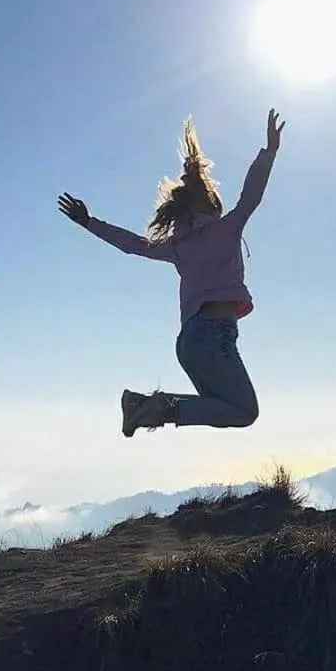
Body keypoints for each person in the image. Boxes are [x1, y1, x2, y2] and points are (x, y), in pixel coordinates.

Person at [58, 109, 285, 437]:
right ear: (210, 203)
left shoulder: (178, 246)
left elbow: (134, 245)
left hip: (190, 342)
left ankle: (143, 405)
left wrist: (89, 223)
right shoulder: (227, 229)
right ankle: (151, 407)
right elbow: (252, 195)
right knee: (244, 411)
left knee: (220, 405)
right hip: (214, 336)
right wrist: (270, 152)